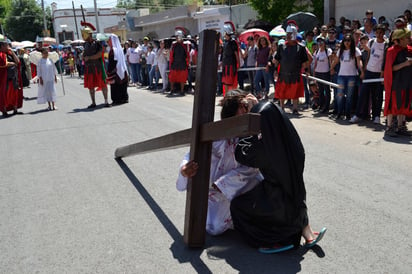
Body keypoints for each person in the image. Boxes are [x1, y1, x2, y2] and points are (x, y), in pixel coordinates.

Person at [230, 100, 327, 253]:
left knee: (237, 206)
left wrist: (250, 127)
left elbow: (241, 154)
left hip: (275, 201)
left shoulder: (265, 150)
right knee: (296, 192)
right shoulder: (294, 145)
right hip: (295, 197)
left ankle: (272, 240)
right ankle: (305, 232)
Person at [176, 91, 263, 236]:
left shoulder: (254, 133)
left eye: (246, 106)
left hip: (245, 185)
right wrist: (185, 169)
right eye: (242, 106)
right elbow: (191, 154)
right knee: (215, 226)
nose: (245, 110)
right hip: (216, 192)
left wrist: (257, 110)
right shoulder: (216, 134)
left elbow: (254, 165)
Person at [350, 25, 388, 124]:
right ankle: (358, 115)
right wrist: (364, 70)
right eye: (377, 32)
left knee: (378, 96)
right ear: (375, 33)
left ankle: (376, 116)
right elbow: (369, 56)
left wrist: (382, 74)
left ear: (383, 33)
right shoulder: (371, 41)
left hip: (378, 74)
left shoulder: (386, 45)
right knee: (363, 94)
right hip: (369, 72)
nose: (379, 34)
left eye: (381, 32)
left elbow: (385, 61)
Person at [274, 23, 309, 115]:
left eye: (290, 34)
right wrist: (275, 70)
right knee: (282, 92)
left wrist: (306, 71)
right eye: (287, 34)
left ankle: (295, 108)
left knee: (295, 92)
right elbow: (277, 59)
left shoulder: (300, 48)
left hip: (295, 73)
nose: (288, 36)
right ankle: (282, 107)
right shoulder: (281, 47)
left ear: (294, 34)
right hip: (283, 73)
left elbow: (305, 61)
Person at [383, 28, 412, 137]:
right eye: (406, 37)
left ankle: (401, 126)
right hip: (396, 83)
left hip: (407, 82)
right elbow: (390, 68)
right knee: (392, 104)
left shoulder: (410, 50)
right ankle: (389, 127)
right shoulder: (391, 51)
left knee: (404, 103)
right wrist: (405, 64)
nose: (409, 39)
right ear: (398, 40)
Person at [330, 34, 364, 120]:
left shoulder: (356, 50)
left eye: (349, 40)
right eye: (345, 40)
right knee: (340, 95)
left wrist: (362, 71)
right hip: (341, 76)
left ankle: (348, 114)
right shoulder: (340, 51)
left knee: (349, 96)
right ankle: (339, 113)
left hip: (352, 76)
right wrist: (331, 68)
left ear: (352, 41)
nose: (347, 42)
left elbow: (359, 62)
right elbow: (336, 60)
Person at [81, 22, 110, 108]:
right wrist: (83, 56)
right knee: (91, 86)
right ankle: (93, 102)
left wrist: (89, 58)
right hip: (89, 68)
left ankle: (106, 101)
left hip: (98, 67)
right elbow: (84, 54)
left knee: (103, 84)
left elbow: (99, 54)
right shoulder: (85, 44)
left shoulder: (98, 42)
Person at [0, 35, 23, 117]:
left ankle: (15, 109)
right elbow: (3, 64)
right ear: (2, 46)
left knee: (14, 93)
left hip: (13, 77)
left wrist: (13, 53)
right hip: (4, 78)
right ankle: (4, 111)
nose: (8, 46)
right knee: (4, 94)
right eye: (6, 45)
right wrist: (11, 63)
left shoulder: (9, 53)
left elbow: (18, 62)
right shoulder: (1, 54)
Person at [106, 34, 129, 106]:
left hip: (116, 70)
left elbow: (114, 61)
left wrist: (110, 70)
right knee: (121, 84)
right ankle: (123, 98)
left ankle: (117, 99)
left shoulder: (114, 50)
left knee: (115, 85)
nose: (108, 41)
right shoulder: (116, 49)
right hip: (121, 69)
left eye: (109, 40)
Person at [313, 36, 333, 113]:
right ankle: (321, 105)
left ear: (325, 43)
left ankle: (326, 107)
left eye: (321, 42)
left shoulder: (328, 51)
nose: (320, 44)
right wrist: (314, 74)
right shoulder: (317, 51)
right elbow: (315, 63)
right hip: (318, 73)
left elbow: (330, 61)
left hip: (325, 73)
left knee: (327, 90)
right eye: (318, 42)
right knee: (320, 90)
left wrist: (331, 69)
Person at [221, 21, 240, 95]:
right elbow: (224, 54)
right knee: (225, 82)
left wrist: (238, 63)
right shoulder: (225, 42)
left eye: (224, 32)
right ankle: (226, 96)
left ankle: (231, 96)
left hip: (231, 65)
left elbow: (236, 54)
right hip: (225, 64)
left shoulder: (233, 42)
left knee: (230, 82)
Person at [169, 27, 189, 95]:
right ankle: (172, 90)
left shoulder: (186, 45)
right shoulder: (173, 45)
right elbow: (171, 54)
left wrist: (187, 63)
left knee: (182, 79)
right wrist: (171, 63)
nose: (177, 38)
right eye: (177, 37)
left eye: (179, 36)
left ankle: (182, 91)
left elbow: (187, 55)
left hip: (183, 63)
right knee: (172, 78)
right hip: (175, 63)